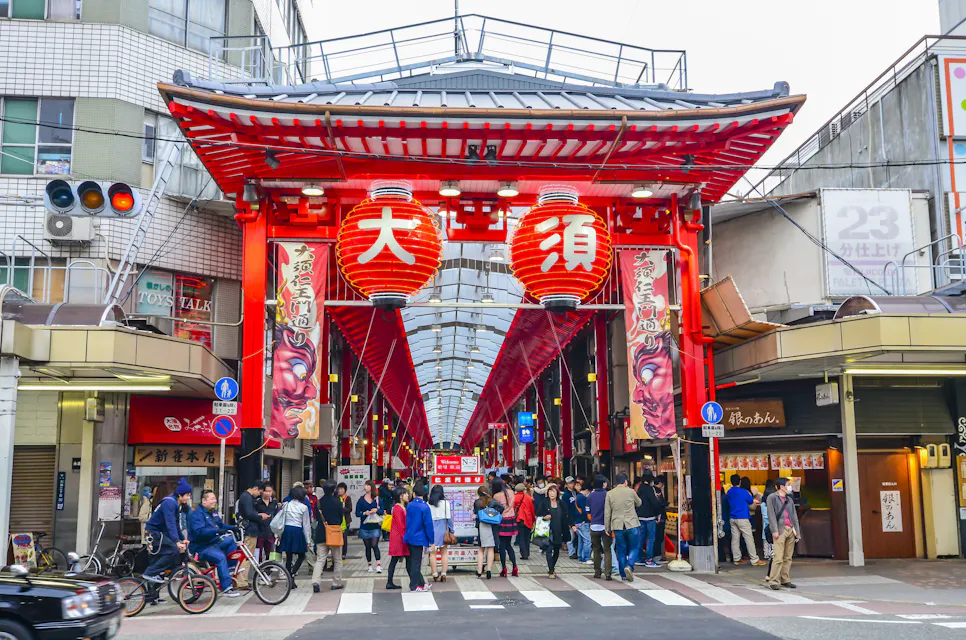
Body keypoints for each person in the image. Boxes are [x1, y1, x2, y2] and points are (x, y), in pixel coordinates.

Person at [188, 489, 242, 598]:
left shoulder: (213, 512)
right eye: (212, 499)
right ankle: (226, 588)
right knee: (220, 557)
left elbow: (221, 526)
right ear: (204, 501)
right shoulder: (197, 514)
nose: (215, 501)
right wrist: (216, 531)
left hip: (213, 542)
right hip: (201, 547)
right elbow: (199, 533)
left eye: (215, 498)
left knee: (231, 540)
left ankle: (230, 569)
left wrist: (234, 528)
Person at [142, 479, 192, 585]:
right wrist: (177, 542)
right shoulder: (169, 503)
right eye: (187, 495)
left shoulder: (175, 503)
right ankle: (150, 573)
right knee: (173, 550)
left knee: (158, 562)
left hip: (159, 533)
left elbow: (176, 525)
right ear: (179, 494)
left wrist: (183, 538)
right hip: (153, 533)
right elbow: (171, 524)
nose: (189, 498)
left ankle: (152, 597)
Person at [605, 472, 642, 583]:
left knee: (621, 550)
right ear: (626, 481)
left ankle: (623, 575)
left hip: (617, 525)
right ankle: (629, 565)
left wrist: (607, 528)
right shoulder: (631, 492)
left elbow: (607, 513)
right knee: (635, 547)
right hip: (632, 524)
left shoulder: (610, 494)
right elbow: (639, 503)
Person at [766, 478, 801, 591]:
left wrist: (797, 532)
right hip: (780, 530)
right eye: (788, 485)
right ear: (781, 486)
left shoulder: (789, 499)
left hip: (790, 529)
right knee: (778, 557)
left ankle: (785, 579)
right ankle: (773, 580)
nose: (790, 487)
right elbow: (771, 515)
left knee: (788, 557)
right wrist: (774, 530)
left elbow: (794, 516)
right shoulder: (772, 498)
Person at [311, 481, 346, 593]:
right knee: (337, 560)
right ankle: (336, 583)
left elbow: (316, 517)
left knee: (320, 559)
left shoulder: (319, 503)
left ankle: (315, 581)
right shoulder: (338, 502)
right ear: (334, 490)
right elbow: (341, 519)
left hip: (322, 533)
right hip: (334, 533)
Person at [727, 474, 766, 567]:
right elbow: (751, 503)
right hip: (743, 517)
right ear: (739, 482)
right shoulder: (744, 492)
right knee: (749, 538)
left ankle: (737, 559)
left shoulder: (729, 492)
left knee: (735, 539)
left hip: (732, 517)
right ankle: (754, 559)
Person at [534, 483, 572, 578]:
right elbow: (538, 513)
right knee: (548, 549)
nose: (552, 494)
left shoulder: (562, 503)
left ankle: (552, 567)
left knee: (556, 550)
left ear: (557, 493)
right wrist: (544, 517)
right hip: (548, 530)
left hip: (559, 530)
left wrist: (572, 525)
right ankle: (551, 570)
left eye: (553, 492)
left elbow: (567, 515)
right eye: (550, 491)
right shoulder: (544, 502)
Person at [278, 485, 312, 587]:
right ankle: (292, 574)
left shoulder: (286, 505)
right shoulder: (304, 507)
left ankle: (289, 578)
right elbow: (306, 524)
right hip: (297, 531)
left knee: (288, 557)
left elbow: (281, 520)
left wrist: (279, 534)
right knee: (301, 555)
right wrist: (308, 539)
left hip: (287, 530)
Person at [403, 481, 434, 592]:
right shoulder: (425, 507)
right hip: (420, 538)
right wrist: (432, 540)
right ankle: (414, 586)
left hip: (409, 536)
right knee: (417, 563)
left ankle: (420, 583)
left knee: (412, 561)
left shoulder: (410, 505)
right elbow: (428, 525)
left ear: (414, 493)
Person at [235, 480, 264, 589]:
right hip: (249, 530)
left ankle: (243, 580)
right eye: (259, 492)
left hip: (250, 529)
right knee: (247, 556)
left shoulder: (246, 497)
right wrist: (260, 516)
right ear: (255, 488)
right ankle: (242, 581)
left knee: (248, 556)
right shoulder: (246, 497)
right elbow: (249, 514)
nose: (259, 495)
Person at [490, 479, 518, 577]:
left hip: (501, 521)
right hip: (511, 519)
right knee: (508, 545)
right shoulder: (511, 492)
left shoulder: (496, 496)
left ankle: (504, 569)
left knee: (501, 546)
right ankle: (515, 567)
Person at [355, 480, 385, 573]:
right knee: (367, 546)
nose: (366, 487)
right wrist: (365, 513)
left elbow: (383, 511)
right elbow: (357, 513)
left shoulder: (377, 499)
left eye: (368, 485)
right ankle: (369, 565)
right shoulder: (361, 500)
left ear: (371, 487)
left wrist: (376, 510)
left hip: (375, 525)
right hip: (364, 526)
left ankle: (379, 564)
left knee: (374, 545)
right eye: (365, 485)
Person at [635, 473, 664, 569]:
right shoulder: (649, 489)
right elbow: (654, 502)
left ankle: (638, 558)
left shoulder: (640, 488)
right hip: (650, 517)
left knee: (641, 538)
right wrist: (659, 512)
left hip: (640, 517)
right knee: (651, 539)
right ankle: (649, 559)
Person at [428, 485, 455, 582]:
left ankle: (434, 573)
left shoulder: (429, 504)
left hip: (431, 530)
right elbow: (449, 519)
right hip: (443, 530)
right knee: (444, 553)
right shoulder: (445, 503)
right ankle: (443, 573)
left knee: (432, 553)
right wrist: (452, 531)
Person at [588, 475, 612, 579]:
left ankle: (597, 572)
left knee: (596, 549)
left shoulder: (590, 496)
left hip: (594, 526)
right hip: (605, 527)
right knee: (607, 550)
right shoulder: (608, 495)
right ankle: (608, 573)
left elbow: (588, 512)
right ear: (603, 484)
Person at [385, 486, 410, 590]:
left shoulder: (400, 507)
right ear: (400, 496)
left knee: (396, 560)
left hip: (400, 537)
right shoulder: (398, 508)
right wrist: (407, 538)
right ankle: (389, 582)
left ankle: (390, 582)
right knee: (396, 560)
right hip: (399, 538)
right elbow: (401, 525)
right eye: (405, 493)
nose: (407, 495)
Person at [473, 487, 496, 579]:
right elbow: (501, 507)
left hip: (481, 525)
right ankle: (489, 570)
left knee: (481, 549)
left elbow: (475, 512)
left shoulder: (477, 502)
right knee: (491, 548)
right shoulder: (492, 501)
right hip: (492, 525)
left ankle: (479, 571)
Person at [255, 482, 279, 563]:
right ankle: (258, 570)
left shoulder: (274, 503)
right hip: (259, 531)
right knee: (259, 554)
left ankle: (268, 570)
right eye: (266, 491)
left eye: (270, 491)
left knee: (270, 553)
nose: (268, 493)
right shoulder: (257, 503)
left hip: (270, 532)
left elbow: (277, 516)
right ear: (262, 491)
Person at [513, 483, 535, 561]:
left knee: (521, 537)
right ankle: (527, 553)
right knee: (527, 537)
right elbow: (532, 509)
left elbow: (513, 509)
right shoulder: (528, 498)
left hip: (519, 519)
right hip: (528, 519)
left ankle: (524, 554)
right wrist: (533, 519)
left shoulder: (514, 498)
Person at [761, 479, 777, 574]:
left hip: (766, 524)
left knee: (766, 539)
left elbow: (764, 515)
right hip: (774, 525)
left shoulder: (763, 503)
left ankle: (766, 554)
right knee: (774, 542)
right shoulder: (775, 501)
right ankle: (772, 554)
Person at [562, 476, 580, 559]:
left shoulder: (576, 493)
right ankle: (571, 552)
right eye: (570, 483)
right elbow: (565, 509)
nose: (572, 484)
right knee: (571, 536)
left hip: (577, 517)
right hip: (569, 517)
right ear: (566, 484)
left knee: (577, 537)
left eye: (573, 482)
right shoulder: (565, 495)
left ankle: (576, 551)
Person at [575, 481, 592, 564]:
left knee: (581, 540)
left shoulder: (578, 496)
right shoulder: (582, 498)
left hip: (578, 521)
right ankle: (586, 557)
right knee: (587, 540)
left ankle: (581, 556)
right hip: (582, 522)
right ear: (587, 490)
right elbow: (584, 511)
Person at [653, 477, 669, 563]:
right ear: (660, 483)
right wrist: (665, 504)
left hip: (655, 517)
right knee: (659, 537)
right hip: (659, 517)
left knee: (656, 537)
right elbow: (659, 504)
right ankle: (658, 555)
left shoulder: (652, 489)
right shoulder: (657, 491)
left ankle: (656, 555)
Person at [337, 483, 352, 561]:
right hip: (338, 521)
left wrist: (342, 508)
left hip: (346, 521)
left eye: (341, 489)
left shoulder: (347, 498)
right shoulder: (336, 498)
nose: (340, 490)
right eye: (339, 489)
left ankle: (343, 553)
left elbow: (349, 509)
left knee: (344, 537)